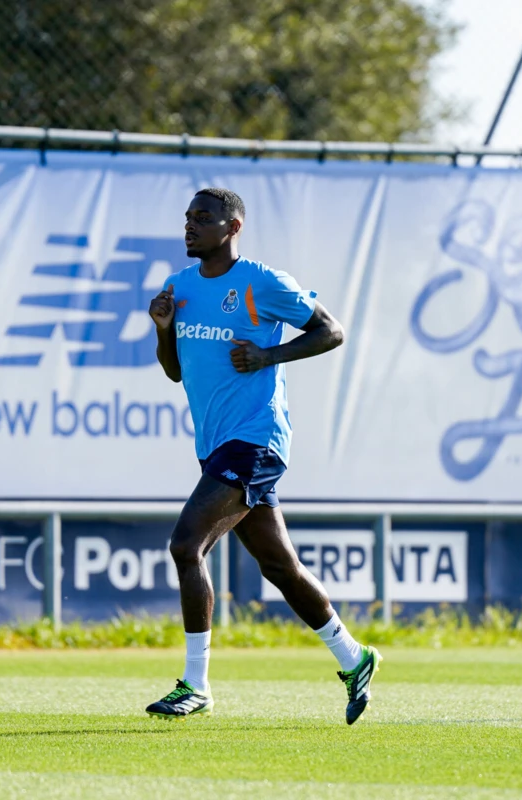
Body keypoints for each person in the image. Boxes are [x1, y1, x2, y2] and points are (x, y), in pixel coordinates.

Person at [145, 187, 381, 725]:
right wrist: (162, 331)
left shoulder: (261, 282)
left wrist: (268, 355)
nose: (190, 226)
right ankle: (355, 657)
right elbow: (175, 370)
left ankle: (196, 685)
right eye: (187, 218)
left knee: (186, 545)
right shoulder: (177, 289)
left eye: (203, 218)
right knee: (280, 566)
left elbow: (331, 330)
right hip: (217, 445)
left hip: (257, 439)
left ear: (233, 228)